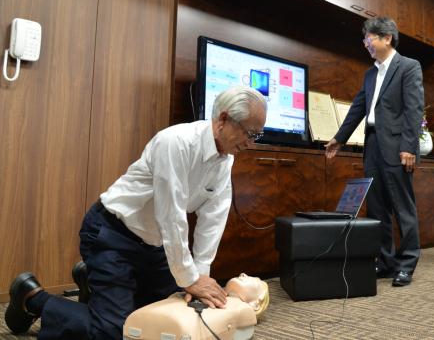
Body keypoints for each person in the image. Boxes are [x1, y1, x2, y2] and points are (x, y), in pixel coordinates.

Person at [5, 86, 268, 339]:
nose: (251, 143)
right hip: (111, 235)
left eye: (257, 136)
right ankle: (32, 298)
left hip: (154, 248)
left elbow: (212, 221)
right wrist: (189, 278)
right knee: (118, 330)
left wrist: (200, 277)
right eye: (249, 133)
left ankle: (93, 281)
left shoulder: (226, 160)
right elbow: (171, 215)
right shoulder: (176, 142)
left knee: (162, 317)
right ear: (223, 119)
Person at [325, 16, 424, 287]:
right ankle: (386, 261)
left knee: (403, 207)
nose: (365, 43)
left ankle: (407, 264)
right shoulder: (370, 73)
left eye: (369, 37)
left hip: (397, 147)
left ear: (387, 38)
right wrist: (339, 138)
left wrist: (408, 147)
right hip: (373, 147)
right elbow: (359, 107)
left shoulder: (409, 67)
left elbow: (414, 111)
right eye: (365, 38)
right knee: (377, 208)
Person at [122, 273, 269, 340]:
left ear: (255, 304)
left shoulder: (241, 309)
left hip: (176, 327)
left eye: (253, 279)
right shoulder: (211, 293)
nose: (243, 273)